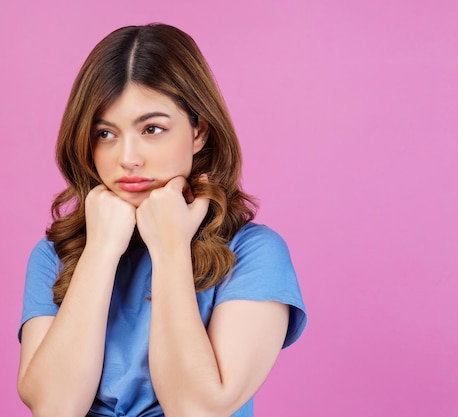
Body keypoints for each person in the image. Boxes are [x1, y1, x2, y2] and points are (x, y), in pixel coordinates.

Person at [17, 23, 307, 417]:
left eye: (152, 128)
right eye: (105, 133)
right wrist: (101, 251)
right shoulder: (56, 255)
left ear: (199, 131)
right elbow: (53, 408)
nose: (128, 157)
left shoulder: (254, 254)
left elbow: (197, 410)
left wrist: (170, 248)